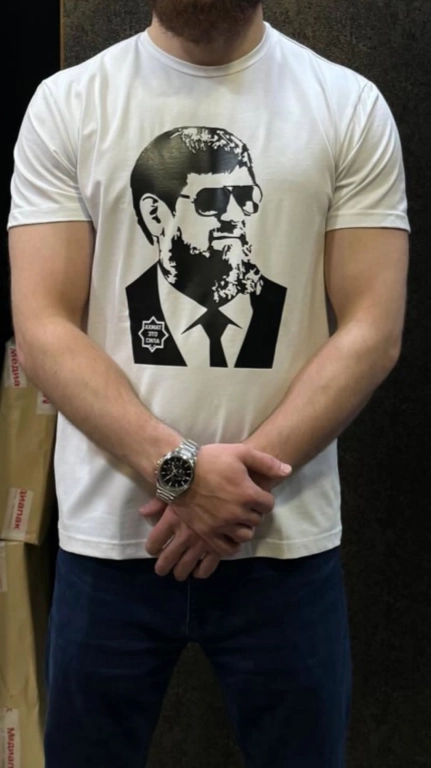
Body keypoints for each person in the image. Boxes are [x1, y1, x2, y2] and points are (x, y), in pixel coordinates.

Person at [7, 1, 409, 767]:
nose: (236, 218)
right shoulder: (69, 104)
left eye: (244, 199)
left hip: (282, 541)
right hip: (110, 541)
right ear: (157, 217)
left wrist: (236, 488)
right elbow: (45, 327)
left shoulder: (346, 104)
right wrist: (182, 472)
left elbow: (370, 330)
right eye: (212, 202)